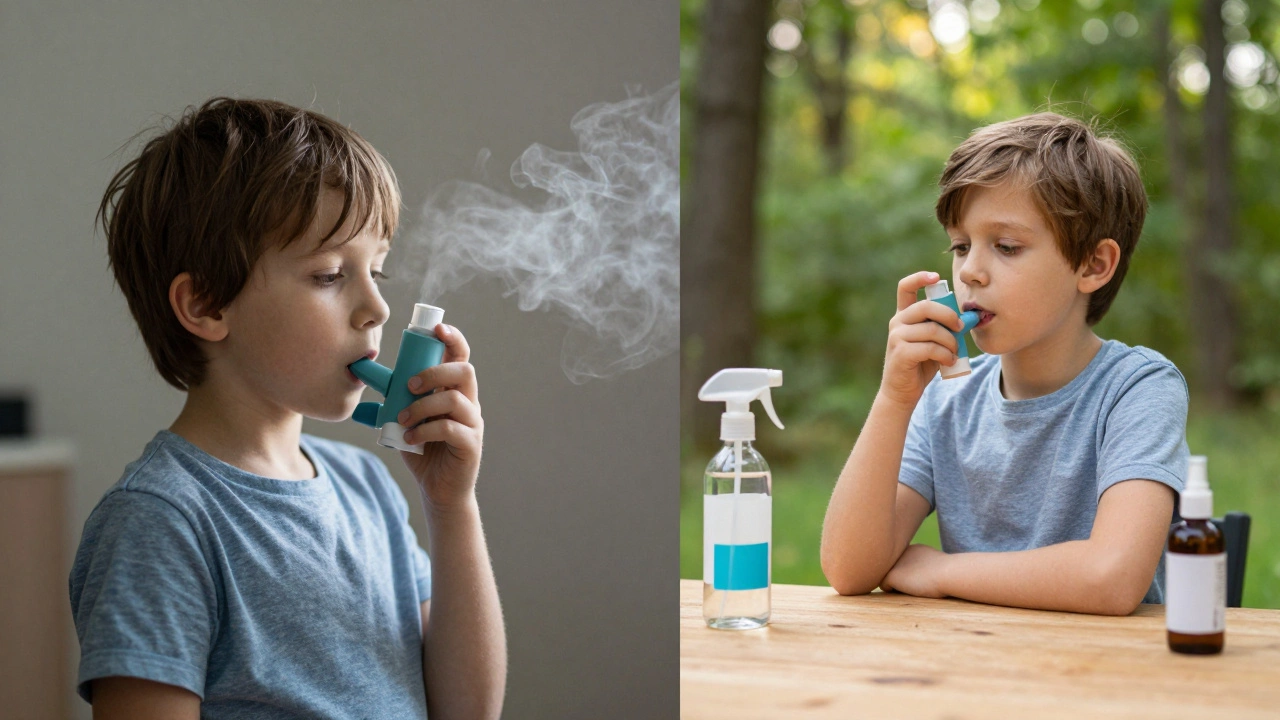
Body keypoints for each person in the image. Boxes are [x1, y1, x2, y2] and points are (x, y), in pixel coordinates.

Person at [69, 98, 505, 718]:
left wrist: (451, 505)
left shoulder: (367, 489)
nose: (376, 308)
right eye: (329, 275)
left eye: (375, 272)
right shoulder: (160, 522)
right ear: (208, 306)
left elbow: (468, 710)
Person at [820, 113, 1189, 615]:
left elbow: (1112, 578)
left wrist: (941, 571)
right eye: (961, 245)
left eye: (1006, 246)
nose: (970, 270)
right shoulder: (946, 397)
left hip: (1108, 677)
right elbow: (848, 568)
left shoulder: (1138, 389)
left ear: (1093, 265)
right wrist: (895, 398)